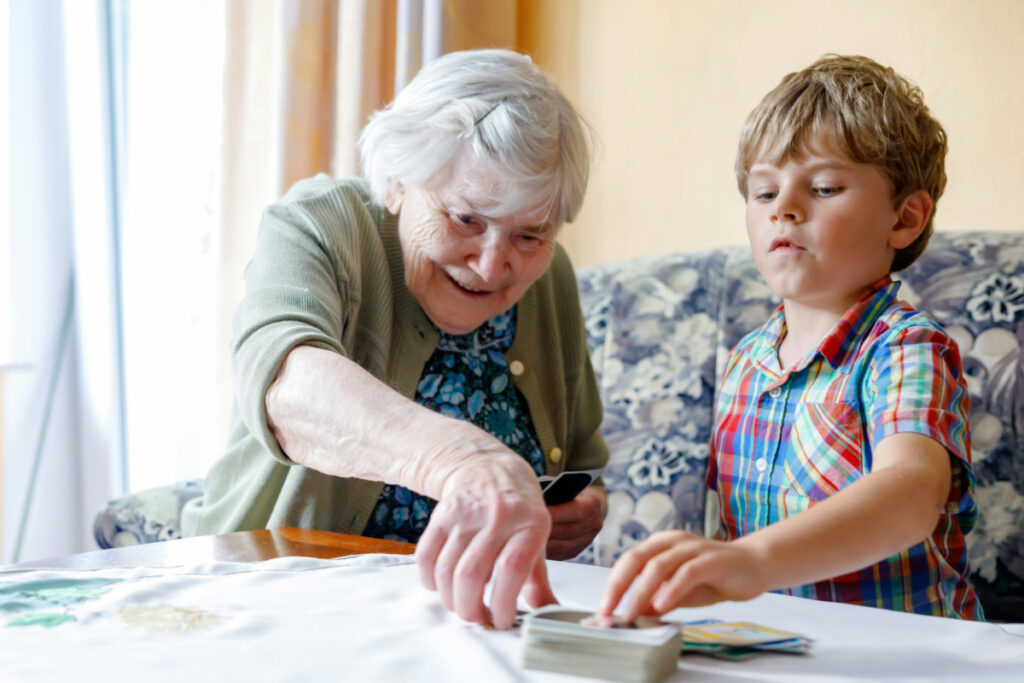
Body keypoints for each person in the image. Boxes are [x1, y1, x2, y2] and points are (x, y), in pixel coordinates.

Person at [182, 49, 609, 630]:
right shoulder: (320, 224)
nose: (491, 264)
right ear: (399, 180)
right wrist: (462, 461)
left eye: (530, 234)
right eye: (467, 219)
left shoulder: (549, 279)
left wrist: (576, 516)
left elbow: (582, 459)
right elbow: (283, 379)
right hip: (273, 603)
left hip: (465, 623)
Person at [598, 55, 983, 620]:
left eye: (824, 187)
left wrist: (752, 561)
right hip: (773, 648)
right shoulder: (745, 363)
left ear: (904, 218)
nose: (785, 208)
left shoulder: (905, 349)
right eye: (763, 193)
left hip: (900, 656)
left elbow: (910, 493)